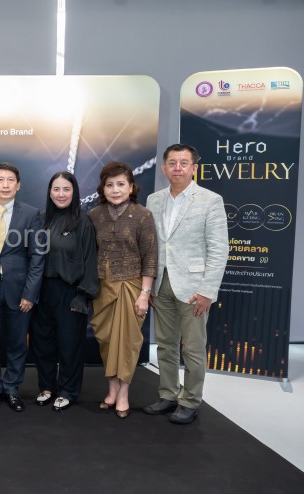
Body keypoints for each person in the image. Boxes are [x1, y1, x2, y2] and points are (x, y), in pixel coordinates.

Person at [143, 144, 228, 424]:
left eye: (183, 163)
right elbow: (152, 245)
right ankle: (168, 394)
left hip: (194, 288)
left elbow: (219, 249)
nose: (177, 167)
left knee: (192, 348)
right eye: (172, 163)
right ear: (164, 168)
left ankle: (190, 401)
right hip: (161, 284)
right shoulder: (154, 200)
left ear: (194, 168)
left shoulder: (210, 200)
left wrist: (207, 291)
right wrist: (149, 284)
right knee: (165, 346)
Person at [88, 161, 157, 419]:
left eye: (120, 184)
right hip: (102, 288)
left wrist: (144, 294)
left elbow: (150, 257)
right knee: (107, 341)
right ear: (102, 188)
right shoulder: (95, 215)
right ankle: (112, 388)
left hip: (131, 287)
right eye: (110, 185)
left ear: (131, 187)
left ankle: (124, 392)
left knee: (128, 342)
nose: (115, 190)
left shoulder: (143, 215)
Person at [0, 162, 44, 413]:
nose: (5, 185)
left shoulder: (31, 214)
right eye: (0, 180)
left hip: (19, 291)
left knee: (17, 343)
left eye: (10, 180)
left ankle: (12, 388)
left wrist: (30, 293)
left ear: (18, 185)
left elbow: (38, 257)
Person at [31, 171, 99, 412]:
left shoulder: (83, 222)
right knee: (43, 343)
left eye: (66, 189)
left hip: (71, 292)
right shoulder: (40, 220)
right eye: (56, 189)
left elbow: (91, 260)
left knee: (69, 345)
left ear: (74, 192)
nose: (61, 194)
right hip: (41, 291)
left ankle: (67, 390)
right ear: (49, 192)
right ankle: (46, 387)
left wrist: (83, 295)